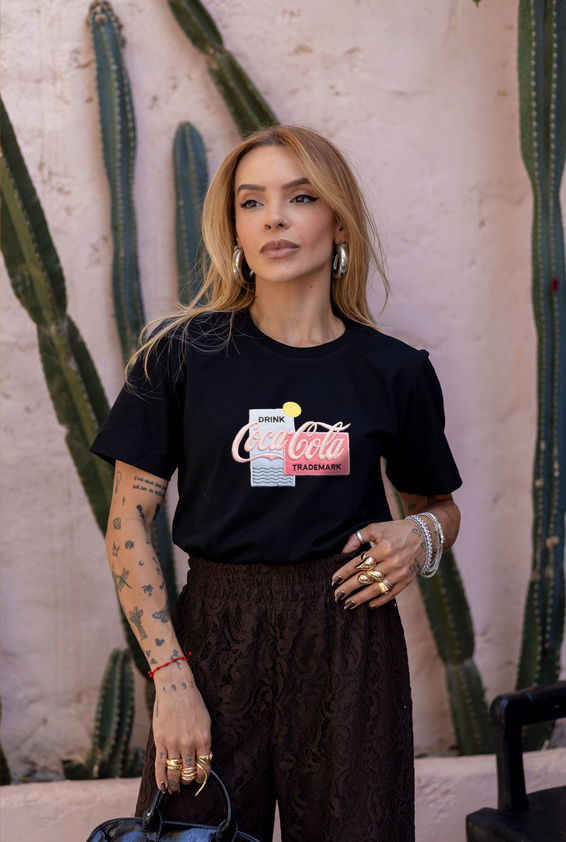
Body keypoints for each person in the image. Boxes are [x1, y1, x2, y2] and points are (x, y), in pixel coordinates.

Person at [90, 124, 463, 842]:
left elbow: (438, 508)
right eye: (251, 202)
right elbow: (128, 520)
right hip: (213, 637)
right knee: (191, 832)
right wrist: (171, 679)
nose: (275, 219)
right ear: (234, 228)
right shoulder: (179, 357)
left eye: (301, 197)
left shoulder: (395, 371)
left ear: (339, 221)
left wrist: (418, 536)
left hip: (349, 635)